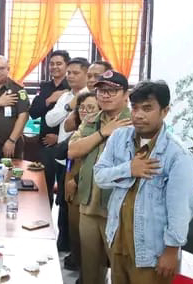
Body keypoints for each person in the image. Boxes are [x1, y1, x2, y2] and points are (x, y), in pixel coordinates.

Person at [95, 81, 193, 284]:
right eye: (135, 108)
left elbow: (181, 209)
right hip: (118, 240)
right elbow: (99, 176)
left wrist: (171, 250)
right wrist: (129, 169)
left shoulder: (177, 154)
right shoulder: (119, 137)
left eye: (147, 108)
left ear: (165, 111)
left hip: (152, 251)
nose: (139, 115)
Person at [68, 70, 133, 284]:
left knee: (120, 270)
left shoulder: (134, 123)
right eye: (101, 90)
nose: (105, 95)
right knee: (90, 270)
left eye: (112, 91)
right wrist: (103, 132)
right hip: (88, 204)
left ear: (126, 95)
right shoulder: (92, 120)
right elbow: (72, 150)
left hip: (117, 209)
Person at [45, 57, 90, 252]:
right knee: (64, 202)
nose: (70, 76)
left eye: (75, 73)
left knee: (75, 205)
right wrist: (67, 106)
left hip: (81, 159)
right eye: (69, 73)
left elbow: (72, 126)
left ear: (87, 74)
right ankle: (63, 245)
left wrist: (77, 106)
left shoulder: (90, 97)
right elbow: (50, 120)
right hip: (64, 158)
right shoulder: (65, 97)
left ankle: (74, 250)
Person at [63, 92, 99, 274]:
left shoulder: (100, 131)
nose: (85, 111)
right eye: (82, 107)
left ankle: (85, 273)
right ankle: (77, 264)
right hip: (70, 179)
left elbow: (96, 161)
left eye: (91, 108)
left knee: (85, 236)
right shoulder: (81, 128)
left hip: (84, 185)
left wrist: (76, 180)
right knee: (73, 229)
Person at [30, 50, 71, 209]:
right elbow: (34, 112)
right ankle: (44, 217)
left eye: (59, 63)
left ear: (67, 65)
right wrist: (49, 100)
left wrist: (59, 138)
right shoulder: (45, 87)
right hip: (45, 144)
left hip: (65, 145)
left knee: (63, 190)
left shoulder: (71, 87)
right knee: (43, 186)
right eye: (52, 64)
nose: (54, 67)